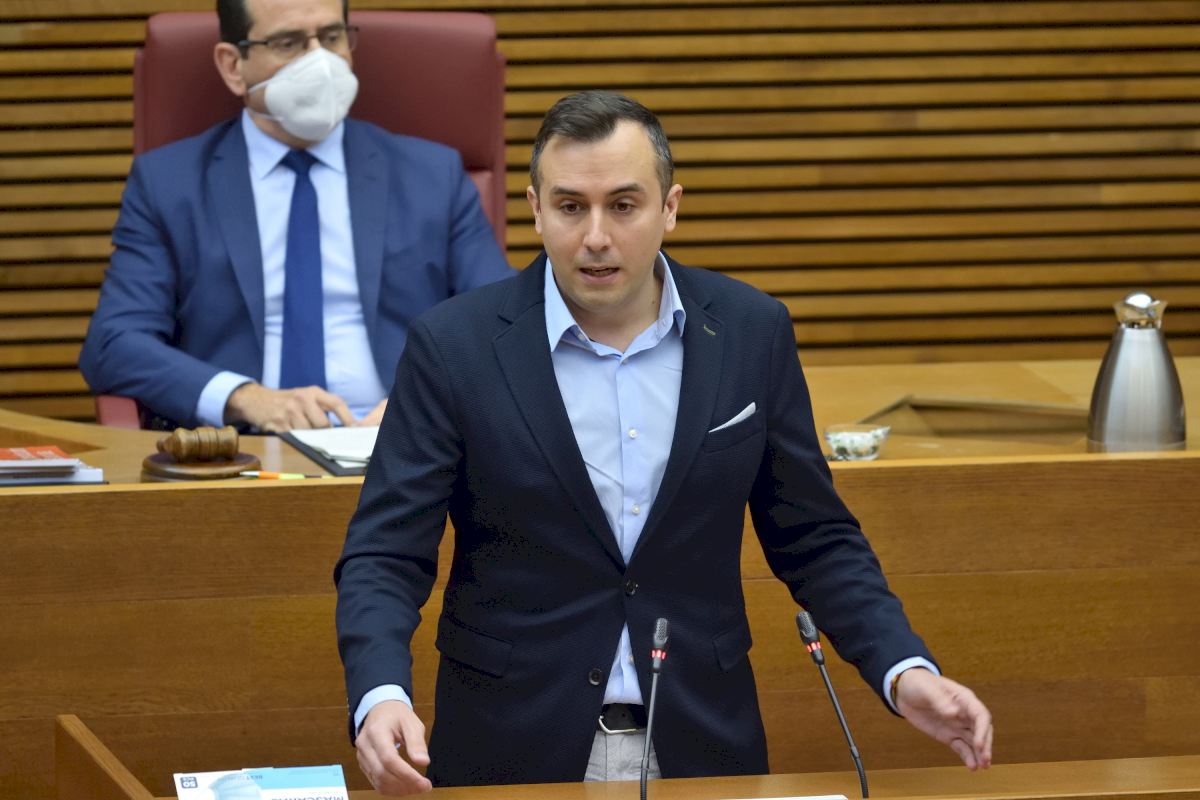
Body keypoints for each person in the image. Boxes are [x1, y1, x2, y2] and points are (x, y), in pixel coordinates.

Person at [335, 90, 993, 795]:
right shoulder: (453, 346)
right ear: (534, 209)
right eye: (570, 206)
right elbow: (386, 552)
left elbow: (815, 537)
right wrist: (381, 694)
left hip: (702, 743)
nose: (595, 236)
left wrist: (901, 667)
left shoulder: (749, 332)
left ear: (669, 207)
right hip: (510, 747)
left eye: (623, 205)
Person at [78, 0, 513, 432]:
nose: (319, 62)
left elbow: (507, 326)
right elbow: (114, 345)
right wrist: (243, 398)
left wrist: (423, 403)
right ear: (233, 65)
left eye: (331, 37)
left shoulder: (432, 176)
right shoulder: (169, 185)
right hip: (240, 449)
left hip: (405, 445)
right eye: (288, 43)